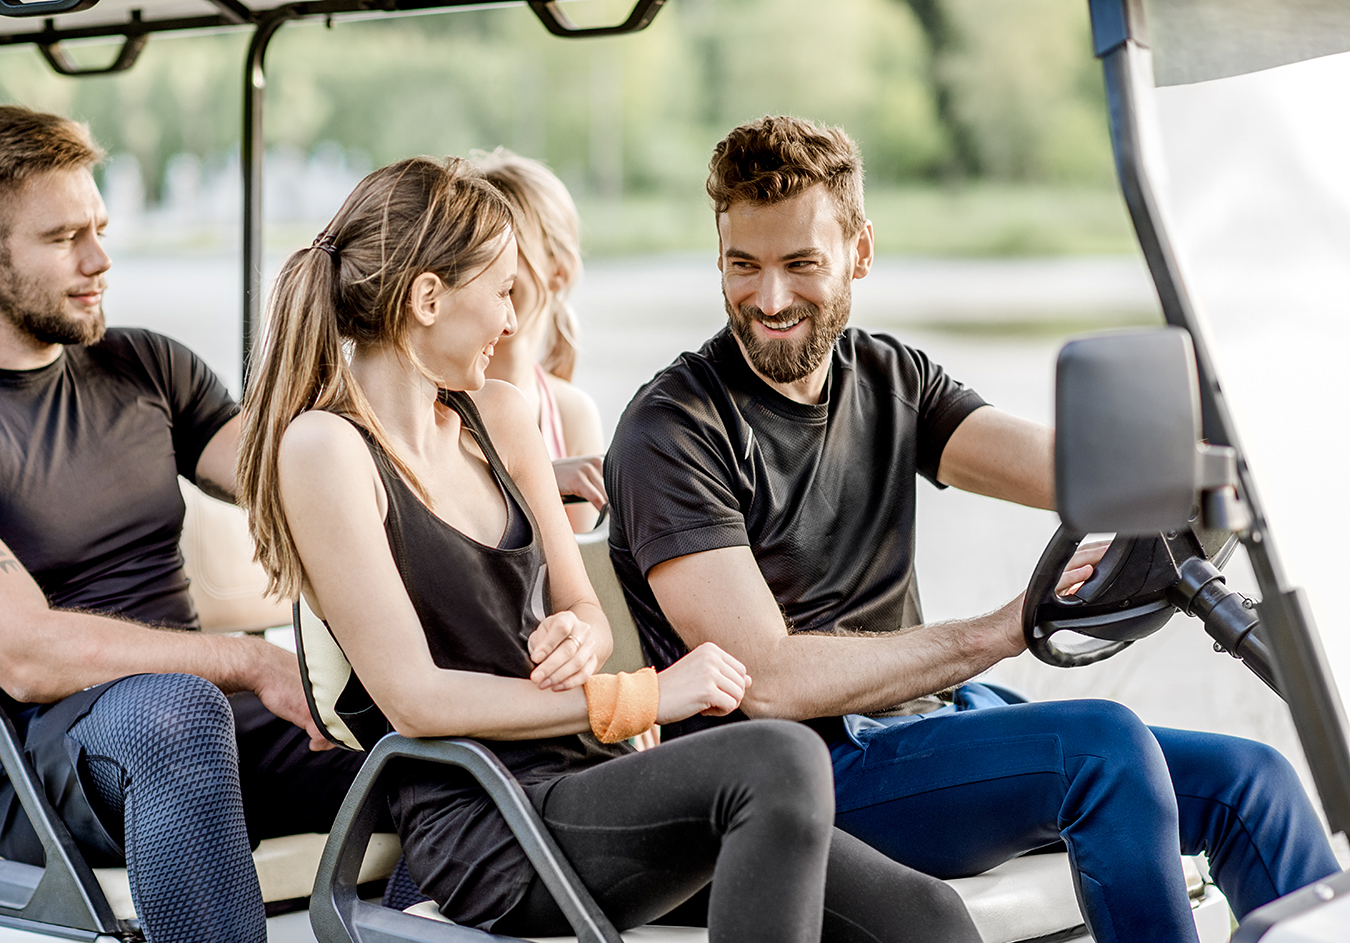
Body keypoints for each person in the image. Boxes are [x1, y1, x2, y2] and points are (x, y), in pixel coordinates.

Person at [603, 114, 1341, 943]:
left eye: (799, 264)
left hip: (925, 726)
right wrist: (998, 629)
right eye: (744, 266)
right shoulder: (673, 430)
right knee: (1099, 747)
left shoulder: (888, 378)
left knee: (1253, 777)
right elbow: (766, 680)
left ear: (860, 252)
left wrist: (1228, 463)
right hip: (793, 779)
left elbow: (1072, 470)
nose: (768, 299)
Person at [236, 154, 982, 942]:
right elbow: (415, 698)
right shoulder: (325, 449)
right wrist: (643, 697)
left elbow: (586, 612)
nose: (509, 319)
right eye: (499, 292)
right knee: (778, 760)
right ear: (428, 298)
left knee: (924, 917)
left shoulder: (500, 414)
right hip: (491, 825)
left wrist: (578, 636)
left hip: (594, 781)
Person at [0, 105, 362, 943]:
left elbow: (298, 482)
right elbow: (27, 654)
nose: (99, 260)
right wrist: (248, 659)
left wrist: (496, 470)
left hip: (200, 722)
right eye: (63, 238)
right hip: (44, 761)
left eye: (99, 228)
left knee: (415, 726)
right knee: (177, 712)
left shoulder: (146, 364)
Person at [471, 148, 605, 532]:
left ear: (558, 272)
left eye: (507, 251)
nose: (485, 271)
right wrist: (544, 481)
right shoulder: (429, 409)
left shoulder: (572, 414)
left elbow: (586, 568)